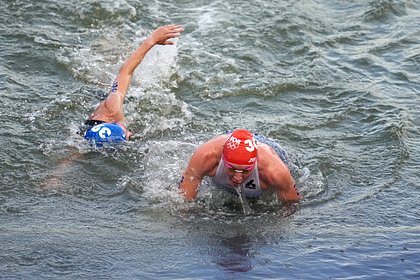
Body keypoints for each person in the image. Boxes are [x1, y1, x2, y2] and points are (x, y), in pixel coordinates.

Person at [81, 24, 184, 146]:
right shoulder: (112, 115)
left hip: (100, 112)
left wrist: (152, 40)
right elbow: (125, 72)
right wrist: (152, 39)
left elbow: (125, 72)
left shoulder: (111, 109)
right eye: (126, 134)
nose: (130, 134)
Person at [179, 129, 301, 203]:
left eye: (245, 171)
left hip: (266, 147)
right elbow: (184, 203)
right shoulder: (206, 157)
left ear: (254, 165)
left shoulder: (274, 171)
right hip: (227, 139)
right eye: (232, 169)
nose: (238, 177)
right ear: (223, 160)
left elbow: (291, 207)